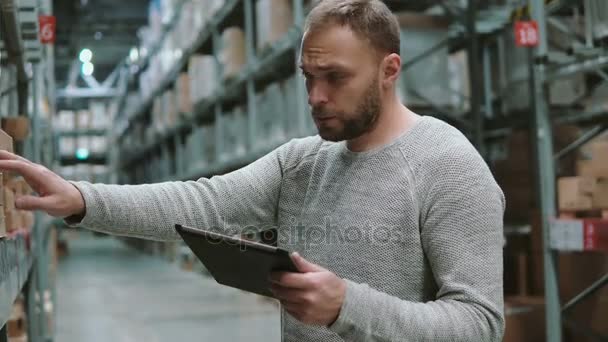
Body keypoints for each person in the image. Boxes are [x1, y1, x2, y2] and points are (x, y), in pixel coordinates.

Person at [0, 0, 505, 341]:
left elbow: (480, 322)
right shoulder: (302, 162)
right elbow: (202, 203)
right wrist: (80, 199)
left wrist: (347, 306)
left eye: (335, 78)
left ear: (389, 70)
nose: (316, 97)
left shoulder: (448, 166)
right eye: (308, 77)